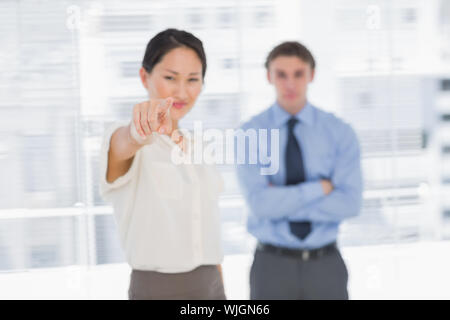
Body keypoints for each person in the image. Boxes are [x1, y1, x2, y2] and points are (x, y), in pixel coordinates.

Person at [99, 28, 226, 300]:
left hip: (212, 284)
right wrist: (138, 129)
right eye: (170, 78)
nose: (182, 91)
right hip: (158, 290)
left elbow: (207, 230)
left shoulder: (199, 146)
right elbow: (126, 142)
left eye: (193, 79)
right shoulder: (124, 139)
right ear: (145, 76)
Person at [235, 41, 363, 299]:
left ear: (311, 75)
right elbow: (260, 204)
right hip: (271, 266)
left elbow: (350, 204)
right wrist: (321, 188)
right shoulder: (250, 133)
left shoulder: (340, 132)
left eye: (298, 74)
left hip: (326, 265)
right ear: (269, 76)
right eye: (281, 74)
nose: (289, 84)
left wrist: (281, 201)